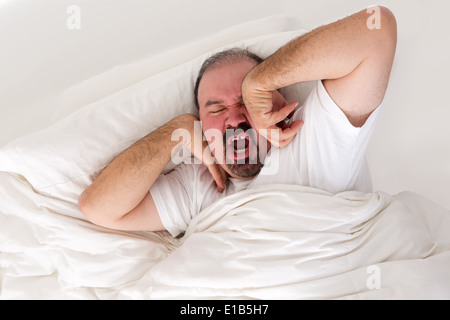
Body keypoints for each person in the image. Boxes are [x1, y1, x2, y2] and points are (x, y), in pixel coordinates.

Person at [78, 7, 397, 237]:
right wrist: (172, 134)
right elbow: (99, 208)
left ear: (277, 104)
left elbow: (376, 29)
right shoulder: (200, 187)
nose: (233, 118)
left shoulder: (313, 142)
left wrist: (259, 81)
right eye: (215, 110)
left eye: (246, 102)